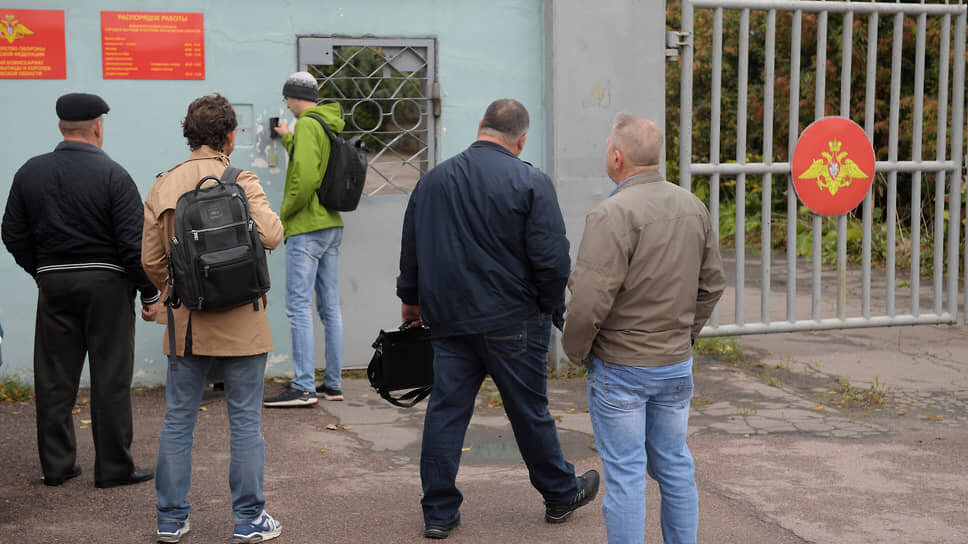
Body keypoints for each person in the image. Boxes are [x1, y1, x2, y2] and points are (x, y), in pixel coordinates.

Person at [397, 98, 600, 540]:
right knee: (529, 411)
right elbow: (551, 260)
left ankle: (438, 512)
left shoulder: (432, 181)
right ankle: (561, 493)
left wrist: (410, 303)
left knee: (446, 412)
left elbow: (412, 248)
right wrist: (550, 308)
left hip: (449, 322)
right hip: (514, 320)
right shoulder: (530, 181)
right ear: (521, 139)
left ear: (480, 126)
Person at [561, 114, 725, 544]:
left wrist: (578, 352)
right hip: (674, 366)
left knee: (627, 476)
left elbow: (587, 302)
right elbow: (712, 284)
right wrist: (683, 335)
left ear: (617, 157)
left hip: (622, 367)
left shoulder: (611, 214)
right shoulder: (693, 206)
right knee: (674, 464)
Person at [141, 94, 284, 544]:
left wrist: (177, 291)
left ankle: (170, 518)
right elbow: (272, 236)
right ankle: (248, 520)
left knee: (179, 419)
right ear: (229, 135)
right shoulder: (242, 180)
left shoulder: (163, 186)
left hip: (187, 325)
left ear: (189, 134)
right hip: (244, 322)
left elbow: (150, 260)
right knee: (245, 422)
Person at [1, 93, 159, 488]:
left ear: (60, 128)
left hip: (54, 283)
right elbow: (130, 243)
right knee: (110, 377)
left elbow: (12, 233)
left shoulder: (29, 173)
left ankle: (57, 466)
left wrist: (42, 271)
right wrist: (149, 293)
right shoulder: (114, 175)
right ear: (98, 127)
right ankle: (114, 469)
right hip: (107, 285)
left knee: (54, 378)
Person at [263, 71, 345, 407]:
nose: (286, 104)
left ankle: (303, 386)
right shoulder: (325, 122)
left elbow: (307, 176)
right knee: (330, 307)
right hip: (331, 224)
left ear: (294, 97)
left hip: (307, 227)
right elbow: (315, 158)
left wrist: (283, 214)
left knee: (298, 308)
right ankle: (334, 383)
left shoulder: (308, 124)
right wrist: (287, 138)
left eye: (287, 98)